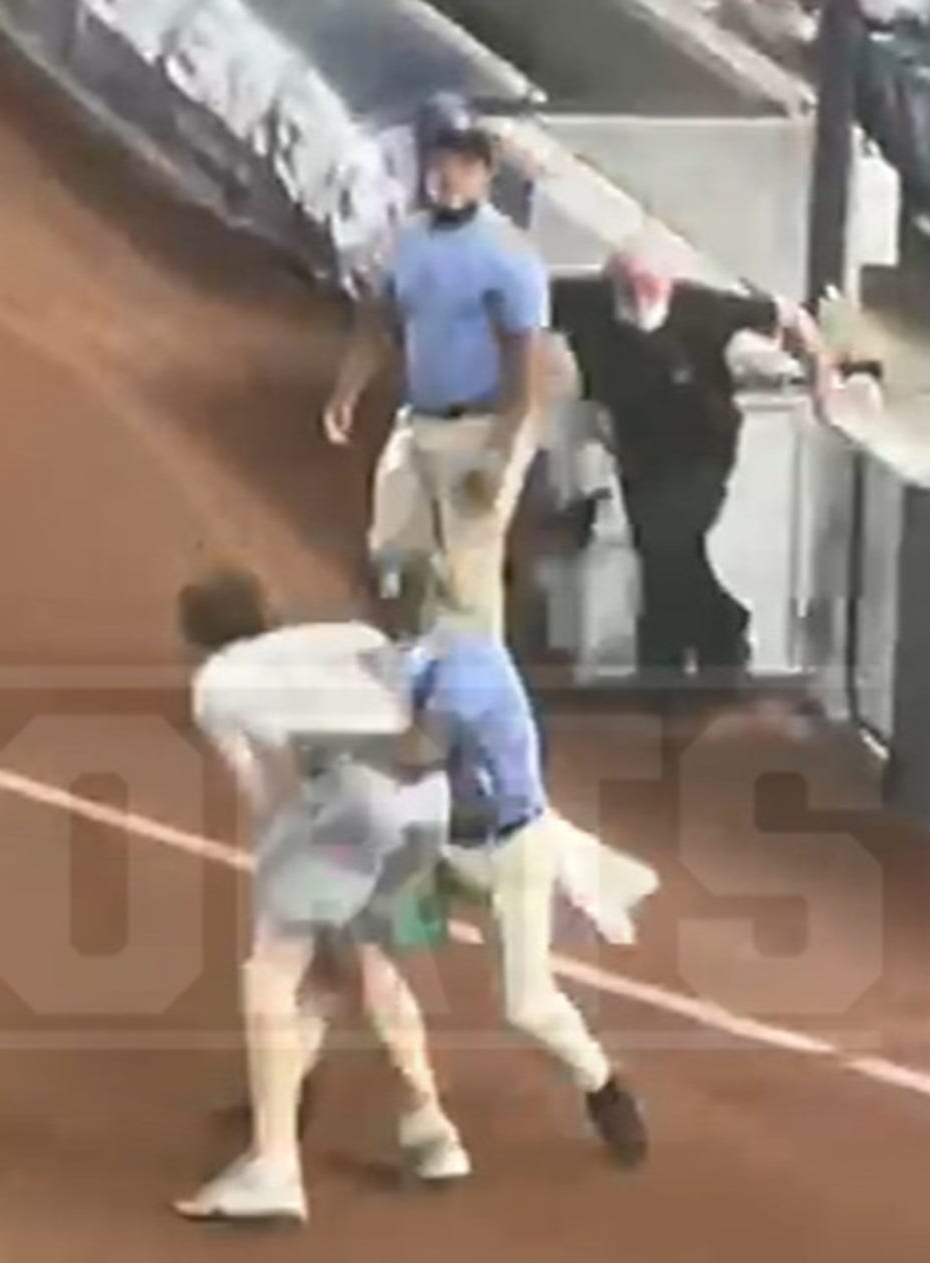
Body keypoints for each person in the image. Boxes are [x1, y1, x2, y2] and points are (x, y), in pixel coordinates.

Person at [171, 568, 472, 1226]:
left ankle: (274, 1168)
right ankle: (431, 1130)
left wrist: (300, 869)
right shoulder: (350, 635)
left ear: (194, 640)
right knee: (373, 962)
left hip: (343, 800)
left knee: (274, 971)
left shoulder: (217, 683)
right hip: (423, 792)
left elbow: (266, 791)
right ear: (270, 608)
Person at [372, 551, 656, 1167]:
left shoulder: (466, 674)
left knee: (526, 1004)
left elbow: (419, 753)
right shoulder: (432, 654)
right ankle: (361, 1096)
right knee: (361, 949)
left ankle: (604, 1087)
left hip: (509, 853)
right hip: (453, 842)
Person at [323, 101, 567, 643]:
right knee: (393, 555)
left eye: (463, 163)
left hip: (481, 426)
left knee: (468, 580)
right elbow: (381, 318)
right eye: (440, 160)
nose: (448, 173)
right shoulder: (407, 238)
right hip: (419, 424)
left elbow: (529, 365)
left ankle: (477, 703)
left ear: (485, 175)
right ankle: (416, 666)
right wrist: (347, 392)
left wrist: (501, 455)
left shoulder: (509, 256)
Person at [553, 243, 835, 684]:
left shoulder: (701, 308)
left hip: (701, 449)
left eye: (651, 285)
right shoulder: (589, 304)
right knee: (657, 549)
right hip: (639, 451)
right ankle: (681, 654)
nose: (642, 295)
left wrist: (823, 381)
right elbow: (519, 299)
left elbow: (789, 316)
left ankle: (704, 637)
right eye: (631, 287)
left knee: (671, 542)